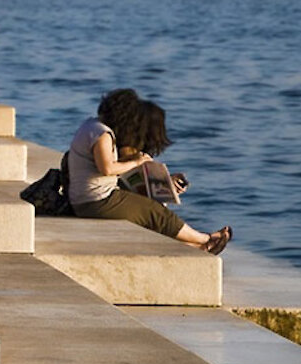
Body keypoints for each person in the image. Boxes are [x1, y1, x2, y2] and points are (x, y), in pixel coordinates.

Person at [67, 89, 232, 253]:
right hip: (97, 201)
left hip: (89, 199)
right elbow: (107, 168)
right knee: (155, 213)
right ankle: (206, 240)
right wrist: (136, 161)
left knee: (149, 208)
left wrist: (164, 181)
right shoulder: (102, 135)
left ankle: (193, 245)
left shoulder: (92, 125)